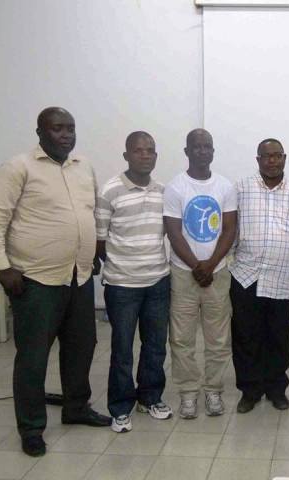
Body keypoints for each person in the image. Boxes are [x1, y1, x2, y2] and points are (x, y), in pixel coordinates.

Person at [0, 107, 111, 457]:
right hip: (35, 279)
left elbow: (89, 213)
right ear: (40, 132)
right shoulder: (18, 167)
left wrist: (91, 250)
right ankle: (31, 427)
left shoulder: (83, 166)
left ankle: (76, 408)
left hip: (79, 275)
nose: (66, 135)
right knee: (33, 357)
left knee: (82, 346)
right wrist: (2, 267)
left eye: (70, 128)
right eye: (58, 128)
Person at [96, 131, 172, 433]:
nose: (145, 155)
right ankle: (120, 407)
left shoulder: (163, 191)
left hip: (157, 282)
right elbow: (100, 240)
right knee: (122, 349)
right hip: (122, 286)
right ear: (126, 155)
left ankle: (150, 398)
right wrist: (122, 266)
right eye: (138, 150)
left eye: (150, 150)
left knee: (155, 346)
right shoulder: (110, 191)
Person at [230, 138, 289, 413]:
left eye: (277, 156)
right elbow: (230, 231)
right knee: (246, 336)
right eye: (267, 156)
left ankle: (276, 389)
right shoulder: (241, 189)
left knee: (278, 337)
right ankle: (250, 390)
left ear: (285, 158)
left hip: (282, 278)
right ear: (258, 160)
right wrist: (228, 267)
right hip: (245, 275)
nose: (272, 161)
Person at [163, 128, 237, 419]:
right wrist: (196, 265)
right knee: (182, 338)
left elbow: (229, 229)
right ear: (187, 151)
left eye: (207, 146)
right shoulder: (175, 187)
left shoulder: (225, 186)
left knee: (218, 339)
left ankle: (213, 390)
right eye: (197, 146)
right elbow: (173, 231)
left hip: (217, 273)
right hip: (184, 273)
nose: (202, 151)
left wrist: (210, 264)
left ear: (213, 151)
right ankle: (188, 393)